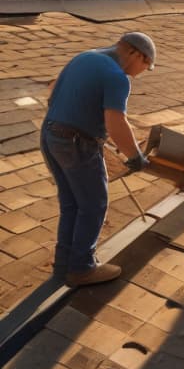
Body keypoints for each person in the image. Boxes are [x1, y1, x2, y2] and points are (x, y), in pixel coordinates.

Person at [41, 32, 155, 287]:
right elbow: (116, 122)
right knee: (93, 205)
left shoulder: (85, 57)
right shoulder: (117, 76)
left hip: (50, 134)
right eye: (145, 66)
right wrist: (135, 157)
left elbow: (51, 94)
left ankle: (64, 263)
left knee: (72, 202)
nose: (141, 72)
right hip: (75, 143)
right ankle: (81, 269)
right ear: (136, 54)